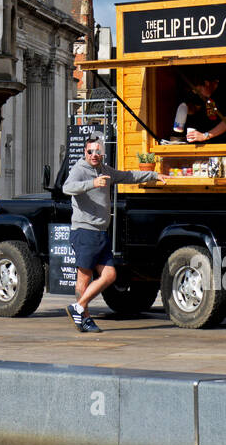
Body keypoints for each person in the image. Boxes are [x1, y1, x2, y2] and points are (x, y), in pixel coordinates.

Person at [61, 137, 165, 333]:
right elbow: (67, 188)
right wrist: (92, 183)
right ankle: (85, 318)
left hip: (100, 232)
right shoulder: (79, 169)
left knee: (110, 275)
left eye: (97, 152)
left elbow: (128, 176)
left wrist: (154, 175)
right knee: (84, 277)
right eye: (90, 151)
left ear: (103, 154)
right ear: (85, 152)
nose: (94, 155)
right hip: (85, 231)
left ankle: (78, 307)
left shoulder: (106, 171)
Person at [181, 78, 226, 144]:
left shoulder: (224, 92)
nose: (199, 95)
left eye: (199, 90)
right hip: (209, 143)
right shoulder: (204, 94)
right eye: (196, 93)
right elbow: (194, 109)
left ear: (207, 83)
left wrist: (205, 136)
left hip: (224, 144)